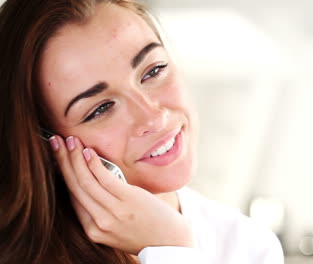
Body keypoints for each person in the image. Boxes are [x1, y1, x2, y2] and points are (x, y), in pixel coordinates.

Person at [0, 0, 284, 263]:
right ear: (43, 144)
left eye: (154, 71)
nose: (154, 117)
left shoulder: (248, 246)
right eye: (100, 109)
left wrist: (170, 247)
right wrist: (169, 247)